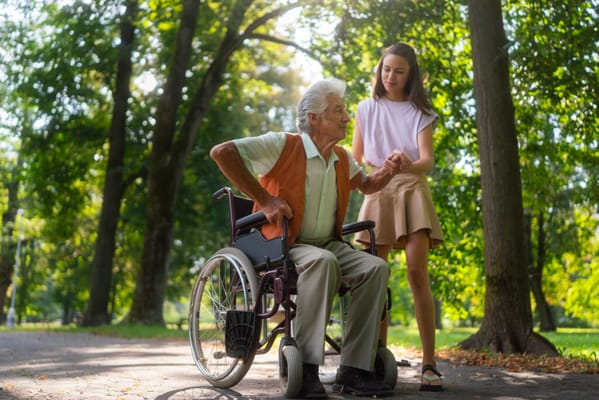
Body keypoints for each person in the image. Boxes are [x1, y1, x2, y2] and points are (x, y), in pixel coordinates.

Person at [210, 78, 401, 398]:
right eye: (337, 111)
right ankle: (309, 366)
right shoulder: (281, 145)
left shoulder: (341, 157)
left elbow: (367, 184)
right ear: (314, 118)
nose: (346, 117)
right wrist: (266, 200)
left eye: (344, 110)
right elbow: (222, 152)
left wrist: (391, 169)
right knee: (323, 262)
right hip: (283, 244)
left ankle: (354, 369)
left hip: (328, 242)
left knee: (376, 268)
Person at [352, 42, 444, 392]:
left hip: (411, 189)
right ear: (379, 70)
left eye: (399, 71)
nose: (390, 76)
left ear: (410, 75)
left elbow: (427, 161)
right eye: (386, 69)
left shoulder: (420, 111)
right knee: (375, 278)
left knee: (416, 272)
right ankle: (376, 358)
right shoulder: (365, 108)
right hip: (377, 187)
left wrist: (406, 162)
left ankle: (430, 363)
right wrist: (375, 172)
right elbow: (356, 156)